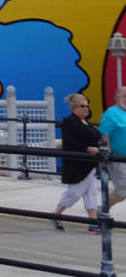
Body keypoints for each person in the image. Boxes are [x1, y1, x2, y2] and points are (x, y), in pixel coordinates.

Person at [53, 93, 101, 232]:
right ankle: (56, 213)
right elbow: (70, 141)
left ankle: (93, 222)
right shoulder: (69, 122)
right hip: (77, 164)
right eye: (82, 106)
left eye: (87, 106)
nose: (86, 109)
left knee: (91, 193)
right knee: (75, 192)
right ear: (74, 108)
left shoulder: (87, 123)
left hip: (89, 163)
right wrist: (88, 148)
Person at [99, 85, 126, 208]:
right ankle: (102, 211)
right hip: (118, 158)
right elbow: (104, 134)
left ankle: (102, 210)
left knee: (122, 193)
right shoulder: (111, 113)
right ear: (117, 97)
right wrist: (108, 154)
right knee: (123, 191)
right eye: (125, 96)